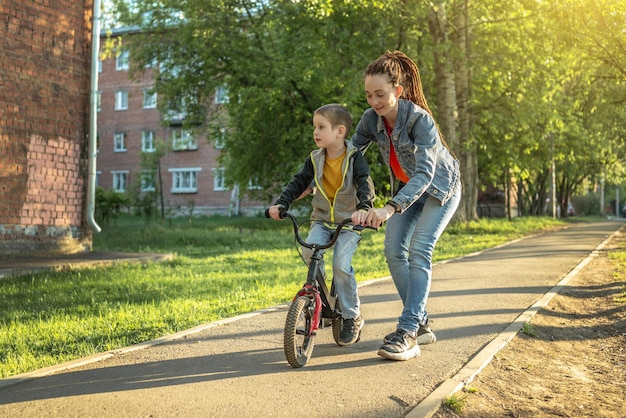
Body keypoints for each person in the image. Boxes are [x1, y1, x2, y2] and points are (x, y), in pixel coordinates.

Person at [351, 50, 461, 361]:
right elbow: (346, 156)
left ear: (398, 91)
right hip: (409, 189)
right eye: (369, 95)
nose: (374, 102)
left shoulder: (418, 119)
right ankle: (421, 323)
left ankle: (408, 331)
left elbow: (425, 173)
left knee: (420, 249)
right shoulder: (370, 120)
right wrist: (313, 180)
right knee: (392, 249)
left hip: (441, 188)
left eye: (381, 94)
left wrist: (389, 208)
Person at [268, 103, 376, 345]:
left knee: (341, 264)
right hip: (322, 220)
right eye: (314, 127)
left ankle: (351, 316)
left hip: (349, 222)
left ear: (339, 131)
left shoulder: (354, 157)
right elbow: (299, 182)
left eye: (320, 127)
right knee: (309, 250)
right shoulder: (315, 158)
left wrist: (364, 209)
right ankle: (321, 294)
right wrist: (282, 204)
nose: (315, 132)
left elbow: (364, 183)